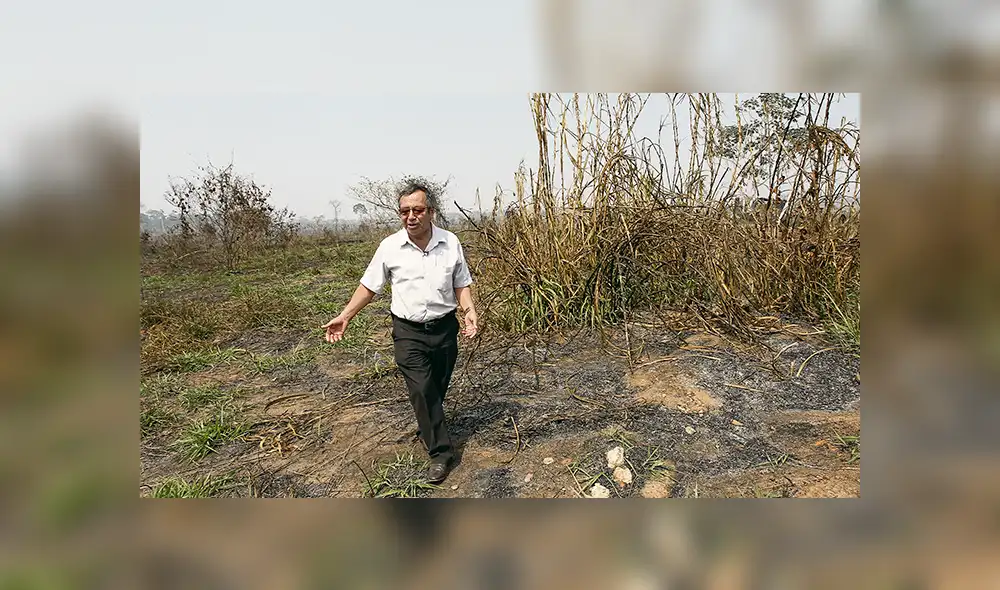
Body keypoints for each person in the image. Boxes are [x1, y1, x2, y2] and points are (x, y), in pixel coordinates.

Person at [322, 179, 479, 484]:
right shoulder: (390, 247)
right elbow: (369, 286)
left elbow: (461, 283)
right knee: (422, 389)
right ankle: (441, 453)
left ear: (431, 212)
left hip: (444, 328)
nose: (411, 216)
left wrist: (469, 310)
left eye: (417, 210)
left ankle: (428, 426)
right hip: (408, 331)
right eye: (405, 211)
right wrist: (345, 315)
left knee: (436, 388)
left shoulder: (450, 242)